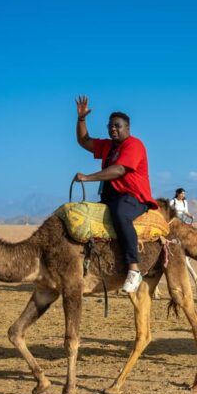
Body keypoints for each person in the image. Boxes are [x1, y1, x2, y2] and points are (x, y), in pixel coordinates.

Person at [74, 95, 158, 293]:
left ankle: (133, 269)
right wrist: (81, 119)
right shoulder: (108, 146)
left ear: (127, 128)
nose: (113, 129)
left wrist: (87, 177)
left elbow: (119, 170)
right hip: (110, 198)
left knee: (120, 213)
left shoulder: (134, 145)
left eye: (117, 126)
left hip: (134, 197)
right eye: (110, 126)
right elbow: (84, 141)